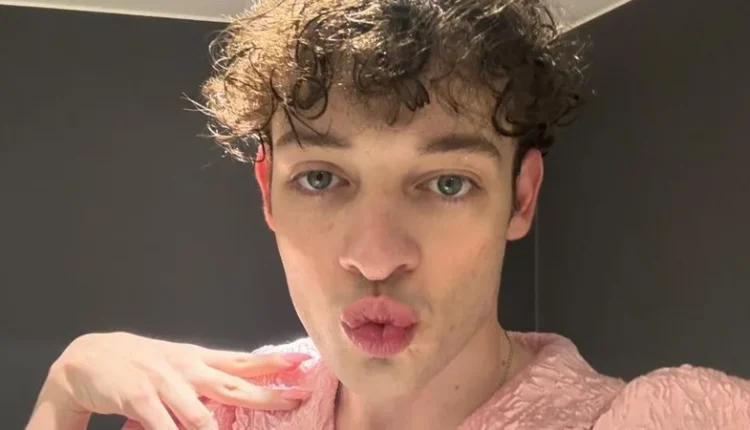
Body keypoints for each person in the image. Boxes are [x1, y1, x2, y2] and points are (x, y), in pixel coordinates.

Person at [26, 0, 750, 429]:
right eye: (320, 178)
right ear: (267, 192)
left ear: (521, 197)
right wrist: (64, 394)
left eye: (446, 184)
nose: (375, 256)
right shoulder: (223, 414)